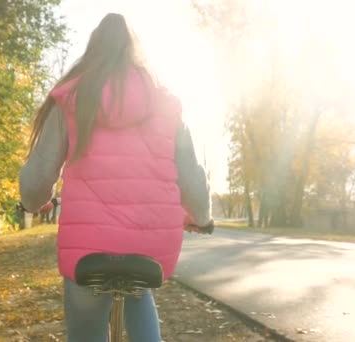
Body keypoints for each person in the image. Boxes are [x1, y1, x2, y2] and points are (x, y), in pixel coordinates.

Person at [19, 13, 213, 342]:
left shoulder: (71, 99)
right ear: (133, 52)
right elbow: (192, 177)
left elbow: (38, 178)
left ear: (93, 51)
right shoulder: (166, 104)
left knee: (86, 317)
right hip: (151, 246)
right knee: (138, 290)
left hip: (87, 251)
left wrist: (33, 201)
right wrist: (203, 217)